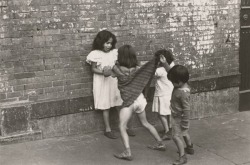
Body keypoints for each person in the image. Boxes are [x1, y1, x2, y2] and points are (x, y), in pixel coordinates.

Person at [113, 45, 165, 161]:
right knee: (145, 123)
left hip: (129, 102)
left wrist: (112, 66)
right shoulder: (138, 68)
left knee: (121, 126)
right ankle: (160, 143)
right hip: (140, 99)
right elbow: (148, 69)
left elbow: (107, 73)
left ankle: (127, 152)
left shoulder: (117, 69)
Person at [86, 30, 132, 139]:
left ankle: (124, 127)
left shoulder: (114, 52)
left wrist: (119, 72)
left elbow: (117, 65)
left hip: (113, 80)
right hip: (102, 82)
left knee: (118, 103)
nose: (109, 45)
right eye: (106, 43)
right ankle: (108, 129)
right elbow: (93, 69)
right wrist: (104, 72)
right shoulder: (95, 54)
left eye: (110, 43)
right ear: (100, 42)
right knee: (105, 105)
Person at [166, 64, 194, 165]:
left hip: (179, 118)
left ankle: (182, 157)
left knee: (176, 136)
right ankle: (189, 147)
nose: (172, 84)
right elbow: (172, 72)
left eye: (173, 82)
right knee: (185, 132)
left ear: (180, 81)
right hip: (180, 116)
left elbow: (187, 109)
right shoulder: (183, 84)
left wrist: (185, 123)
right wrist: (165, 64)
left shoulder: (183, 93)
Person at [152, 49, 175, 140]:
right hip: (170, 93)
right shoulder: (172, 65)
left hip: (162, 94)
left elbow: (151, 73)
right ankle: (170, 129)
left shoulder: (159, 70)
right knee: (169, 113)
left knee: (161, 114)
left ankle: (166, 131)